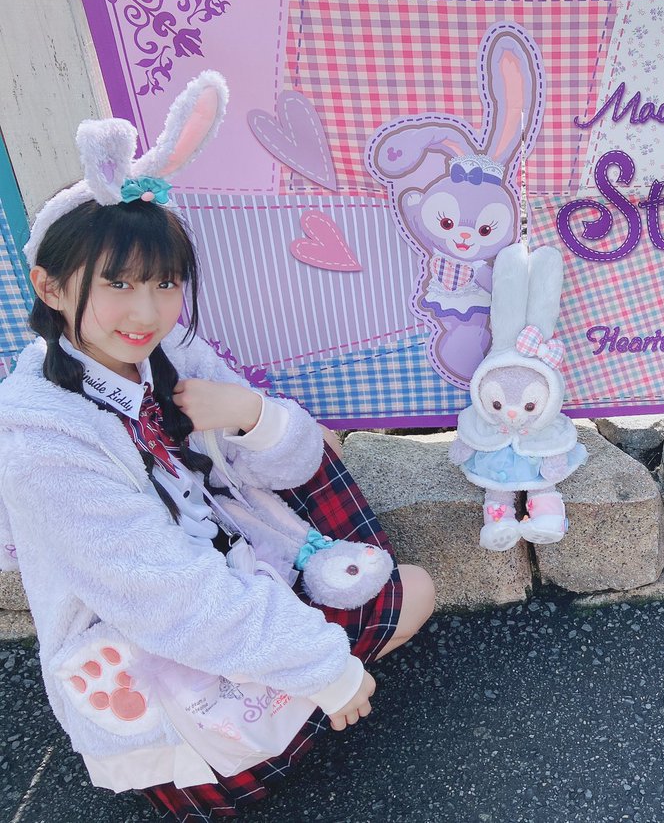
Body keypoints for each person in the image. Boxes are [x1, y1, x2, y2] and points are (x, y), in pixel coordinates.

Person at [0, 71, 436, 821]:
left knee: (400, 571)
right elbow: (165, 595)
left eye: (165, 283)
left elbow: (297, 462)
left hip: (234, 575)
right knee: (400, 606)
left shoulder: (166, 352)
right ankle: (285, 711)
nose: (147, 312)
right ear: (49, 287)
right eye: (118, 285)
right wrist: (324, 671)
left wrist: (249, 413)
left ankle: (297, 687)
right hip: (162, 677)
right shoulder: (43, 435)